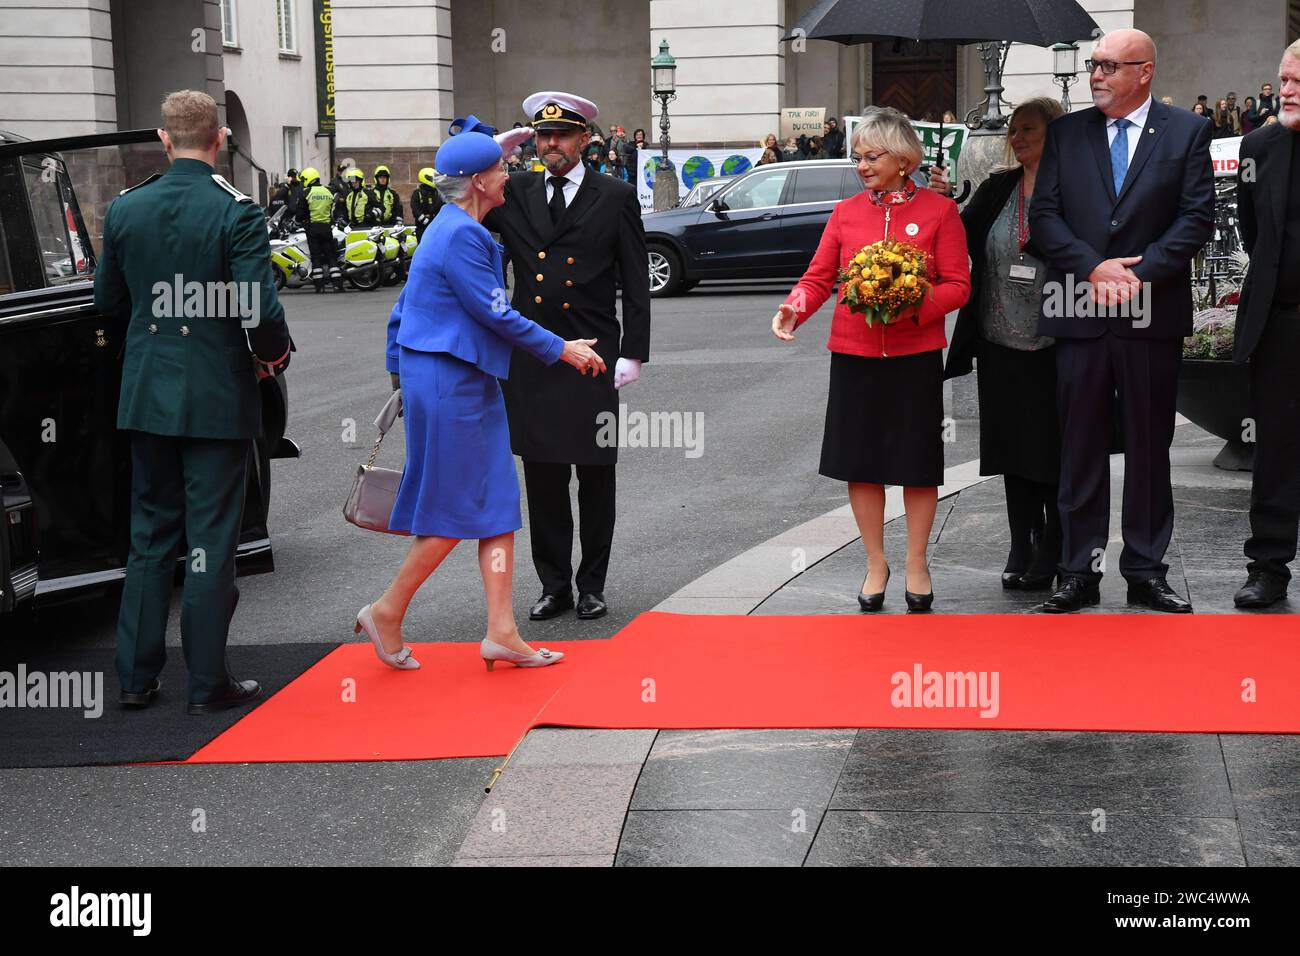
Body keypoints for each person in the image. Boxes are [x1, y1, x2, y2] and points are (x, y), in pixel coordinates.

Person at [367, 128, 606, 671]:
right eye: (502, 167)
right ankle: (387, 610)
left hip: (456, 378)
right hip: (451, 381)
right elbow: (495, 312)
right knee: (456, 510)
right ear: (480, 181)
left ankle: (501, 632)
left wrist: (399, 372)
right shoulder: (461, 235)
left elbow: (402, 310)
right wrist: (562, 349)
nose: (510, 174)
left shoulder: (451, 225)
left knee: (496, 505)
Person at [92, 89, 292, 713]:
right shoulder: (235, 211)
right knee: (209, 541)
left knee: (149, 537)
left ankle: (135, 678)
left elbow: (107, 309)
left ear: (163, 138)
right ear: (220, 138)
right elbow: (258, 310)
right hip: (215, 395)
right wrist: (273, 353)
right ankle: (208, 683)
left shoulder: (126, 208)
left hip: (148, 393)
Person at [1029, 28, 1214, 613]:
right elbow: (1046, 217)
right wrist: (1093, 269)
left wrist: (1138, 274)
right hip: (1081, 310)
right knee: (1079, 445)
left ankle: (1145, 568)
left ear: (1145, 72)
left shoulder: (1186, 131)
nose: (1097, 75)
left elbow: (1196, 217)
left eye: (1111, 66)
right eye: (1094, 64)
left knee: (1149, 444)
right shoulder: (1065, 134)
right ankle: (1077, 570)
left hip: (1150, 312)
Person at [772, 106, 971, 612]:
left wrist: (911, 306)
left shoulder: (939, 212)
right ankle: (875, 562)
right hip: (854, 353)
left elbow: (958, 286)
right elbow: (818, 278)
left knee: (916, 464)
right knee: (861, 462)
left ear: (903, 158)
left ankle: (917, 563)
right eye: (857, 156)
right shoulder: (845, 213)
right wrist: (794, 310)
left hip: (915, 355)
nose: (861, 165)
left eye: (871, 156)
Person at [483, 92, 651, 622]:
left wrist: (634, 353)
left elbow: (635, 281)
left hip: (595, 354)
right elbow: (458, 199)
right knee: (545, 477)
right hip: (534, 354)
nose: (550, 144)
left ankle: (592, 584)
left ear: (585, 140)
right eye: (541, 135)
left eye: (561, 135)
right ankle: (554, 584)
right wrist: (490, 151)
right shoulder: (515, 189)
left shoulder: (615, 194)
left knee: (596, 472)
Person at [930, 97, 1066, 591]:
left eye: (1029, 128)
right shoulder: (997, 187)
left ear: (1056, 135)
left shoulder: (1074, 190)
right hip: (997, 340)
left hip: (1056, 343)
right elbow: (957, 239)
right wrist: (943, 200)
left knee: (1051, 452)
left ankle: (1054, 546)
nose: (1017, 136)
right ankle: (1020, 542)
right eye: (1013, 128)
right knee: (1011, 450)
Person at [1230, 42, 1300, 608]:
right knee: (1274, 449)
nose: (1287, 89)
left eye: (1299, 80)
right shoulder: (1259, 146)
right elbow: (1254, 237)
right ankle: (1268, 567)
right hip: (1278, 325)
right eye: (1284, 78)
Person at [300, 166, 343, 291]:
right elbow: (333, 208)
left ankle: (320, 286)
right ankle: (337, 285)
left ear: (309, 178)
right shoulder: (328, 191)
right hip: (326, 228)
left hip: (313, 229)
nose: (303, 182)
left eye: (304, 179)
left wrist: (298, 222)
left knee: (316, 257)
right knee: (331, 256)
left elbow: (300, 213)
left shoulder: (307, 193)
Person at [410, 166, 442, 243]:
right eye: (432, 179)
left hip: (435, 225)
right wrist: (424, 220)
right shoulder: (418, 193)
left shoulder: (436, 193)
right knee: (423, 244)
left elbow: (440, 206)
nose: (434, 181)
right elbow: (415, 208)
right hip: (422, 226)